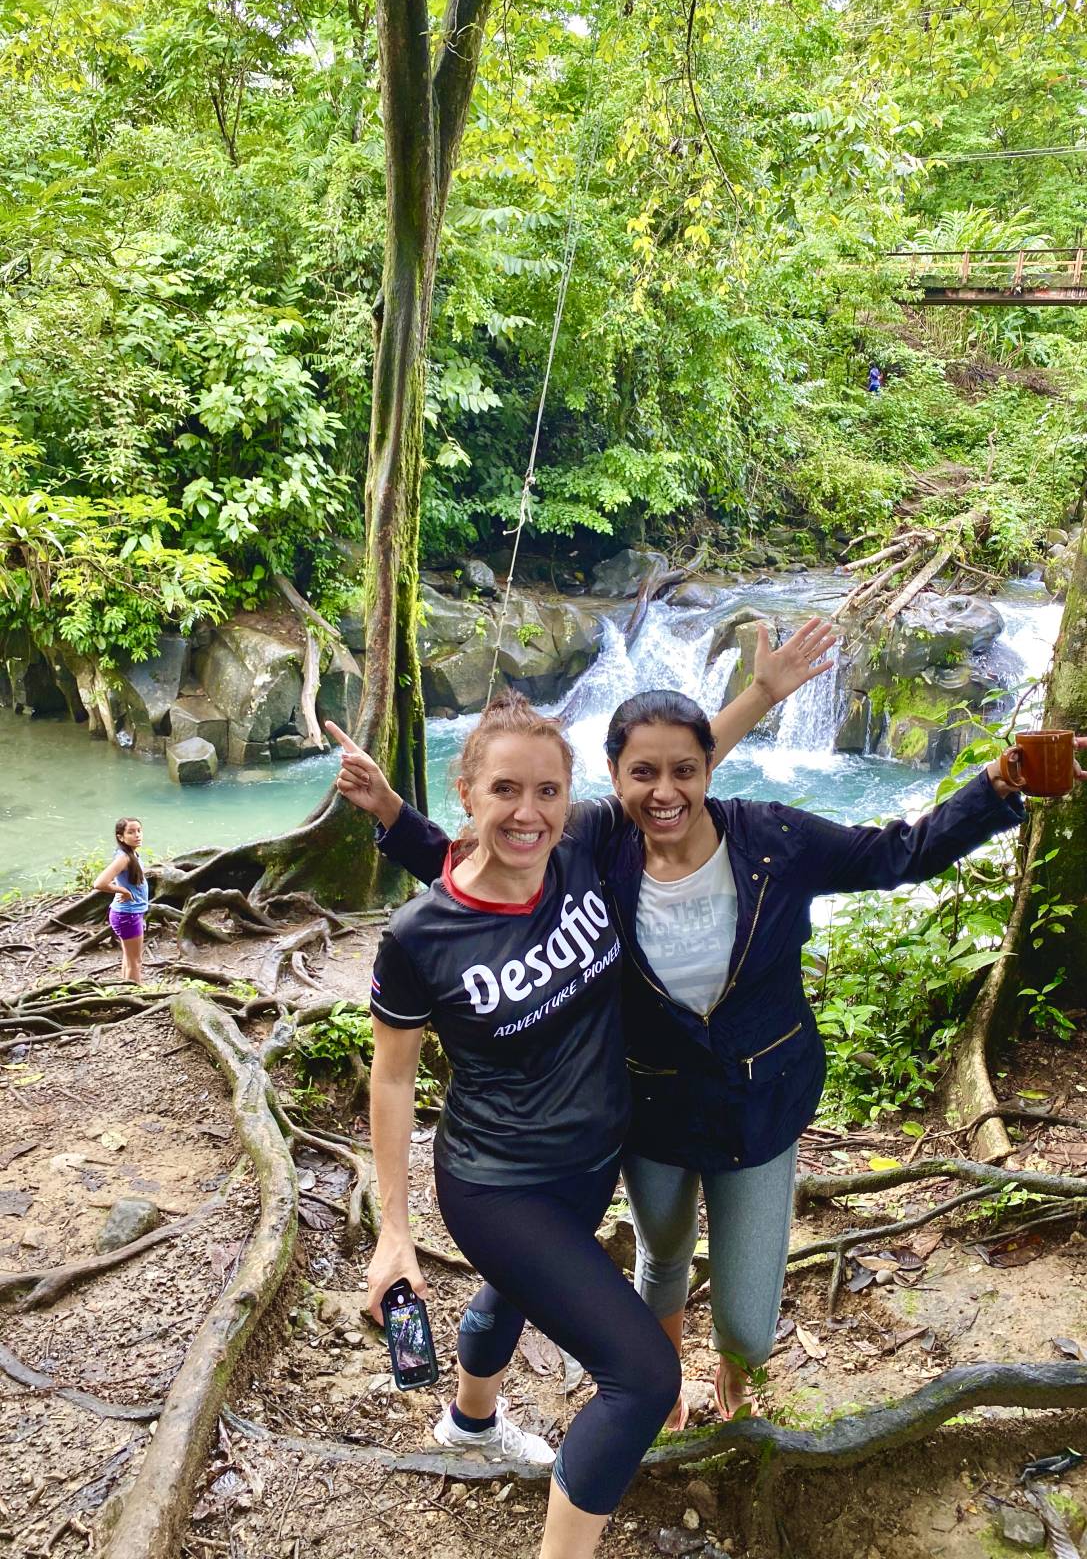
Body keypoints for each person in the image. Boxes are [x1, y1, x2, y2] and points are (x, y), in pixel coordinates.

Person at [343, 684, 1087, 1427]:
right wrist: (390, 815)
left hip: (759, 1102)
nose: (665, 791)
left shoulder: (772, 838)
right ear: (614, 780)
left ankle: (736, 1365)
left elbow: (892, 854)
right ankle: (660, 1387)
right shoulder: (596, 845)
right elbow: (486, 868)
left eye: (686, 771)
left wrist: (994, 786)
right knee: (662, 1256)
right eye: (643, 774)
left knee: (746, 1318)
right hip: (651, 1111)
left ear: (712, 769)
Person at [339, 623, 837, 1559]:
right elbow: (394, 1081)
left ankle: (471, 1424)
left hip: (591, 1162)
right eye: (504, 791)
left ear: (572, 800)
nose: (528, 811)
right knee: (643, 1378)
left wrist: (762, 694)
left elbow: (673, 775)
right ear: (467, 795)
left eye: (547, 791)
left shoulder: (584, 851)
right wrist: (395, 1231)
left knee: (517, 1295)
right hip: (497, 1182)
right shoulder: (420, 936)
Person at [93, 817, 148, 984]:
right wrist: (122, 890)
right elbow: (99, 883)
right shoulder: (124, 858)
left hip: (129, 913)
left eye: (139, 830)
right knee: (135, 962)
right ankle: (136, 996)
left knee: (129, 959)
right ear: (120, 837)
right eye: (131, 832)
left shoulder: (129, 854)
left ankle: (126, 990)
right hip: (127, 915)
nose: (137, 835)